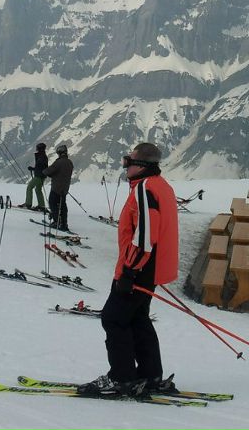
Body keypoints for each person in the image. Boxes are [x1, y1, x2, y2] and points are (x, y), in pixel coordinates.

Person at [78, 142, 179, 397]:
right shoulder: (160, 185)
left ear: (141, 166)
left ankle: (121, 379)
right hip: (151, 267)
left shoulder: (145, 189)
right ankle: (150, 374)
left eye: (128, 161)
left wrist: (129, 271)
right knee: (137, 318)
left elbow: (145, 236)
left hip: (139, 267)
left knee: (113, 318)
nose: (125, 166)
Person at [43, 143, 74, 232]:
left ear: (59, 153)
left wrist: (43, 171)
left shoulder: (59, 162)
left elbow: (49, 171)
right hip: (65, 188)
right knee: (62, 205)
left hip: (56, 187)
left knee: (53, 203)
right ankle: (64, 223)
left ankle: (57, 222)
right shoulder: (69, 162)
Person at [18, 142, 48, 211]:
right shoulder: (43, 156)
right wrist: (34, 168)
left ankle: (28, 204)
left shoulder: (41, 157)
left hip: (39, 176)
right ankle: (41, 205)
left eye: (37, 148)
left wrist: (33, 168)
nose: (36, 149)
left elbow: (40, 167)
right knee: (38, 190)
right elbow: (42, 167)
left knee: (29, 187)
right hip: (42, 176)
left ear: (40, 149)